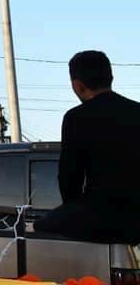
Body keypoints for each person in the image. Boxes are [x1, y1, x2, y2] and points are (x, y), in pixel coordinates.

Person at [34, 50, 140, 243]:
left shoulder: (76, 118)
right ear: (111, 77)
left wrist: (73, 209)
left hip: (101, 217)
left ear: (78, 85)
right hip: (135, 218)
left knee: (38, 228)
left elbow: (69, 177)